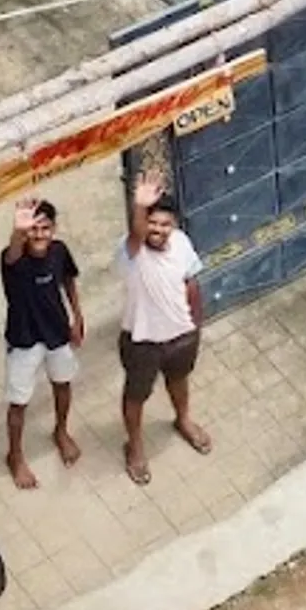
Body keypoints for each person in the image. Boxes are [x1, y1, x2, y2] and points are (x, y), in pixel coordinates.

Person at [115, 175, 212, 485]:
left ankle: (183, 420)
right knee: (136, 395)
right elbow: (136, 233)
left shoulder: (181, 242)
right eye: (152, 223)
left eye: (164, 224)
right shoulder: (132, 251)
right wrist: (140, 206)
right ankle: (136, 446)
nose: (157, 230)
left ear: (174, 225)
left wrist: (194, 322)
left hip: (182, 336)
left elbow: (191, 280)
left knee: (179, 380)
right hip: (142, 342)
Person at [0, 200, 84, 490]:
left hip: (57, 332)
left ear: (53, 230)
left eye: (45, 228)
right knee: (18, 402)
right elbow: (11, 254)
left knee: (63, 384)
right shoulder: (13, 260)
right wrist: (16, 232)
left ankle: (61, 431)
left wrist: (77, 317)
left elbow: (69, 281)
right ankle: (15, 455)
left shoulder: (59, 252)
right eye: (33, 229)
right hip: (24, 339)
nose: (39, 234)